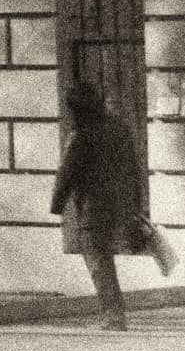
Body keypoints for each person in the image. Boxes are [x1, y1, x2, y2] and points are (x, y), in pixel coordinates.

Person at [52, 74, 154, 329]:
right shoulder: (120, 129)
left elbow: (67, 172)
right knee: (104, 257)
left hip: (92, 208)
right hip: (121, 203)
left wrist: (57, 204)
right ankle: (114, 312)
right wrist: (137, 203)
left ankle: (114, 315)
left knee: (98, 260)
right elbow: (133, 168)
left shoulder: (81, 135)